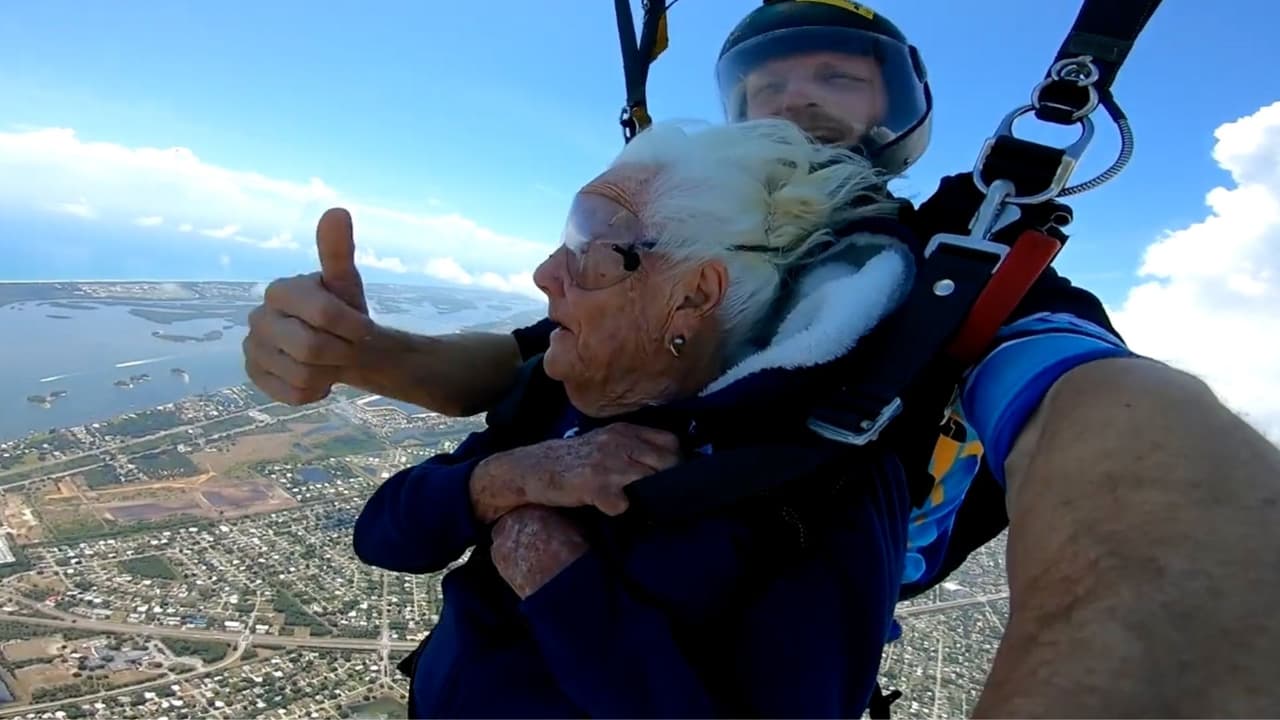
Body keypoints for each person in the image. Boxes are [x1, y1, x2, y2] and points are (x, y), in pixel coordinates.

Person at [244, 1, 1280, 716]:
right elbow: (522, 368)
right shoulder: (666, 258)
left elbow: (1111, 421)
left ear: (903, 117)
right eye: (765, 83)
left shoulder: (957, 285)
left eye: (837, 77)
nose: (796, 100)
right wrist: (374, 356)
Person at [354, 117, 918, 717]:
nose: (545, 274)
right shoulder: (561, 389)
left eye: (594, 250)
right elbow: (383, 536)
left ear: (696, 295)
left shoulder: (820, 482)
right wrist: (500, 482)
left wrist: (561, 585)